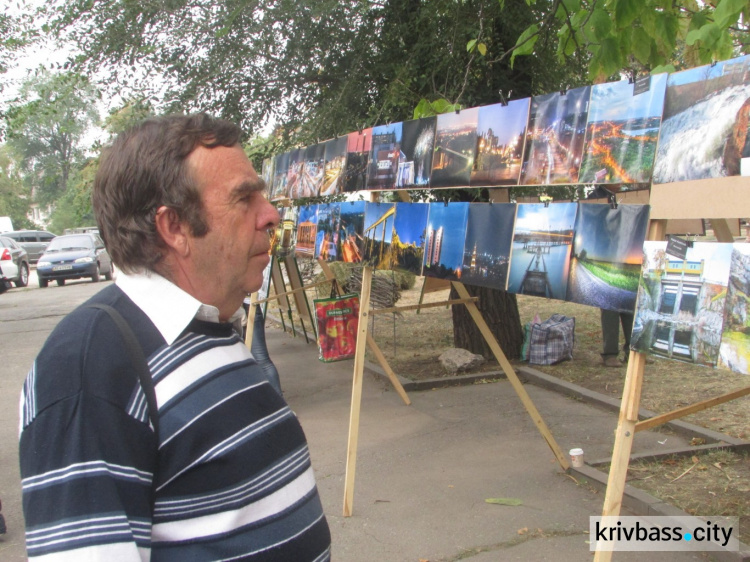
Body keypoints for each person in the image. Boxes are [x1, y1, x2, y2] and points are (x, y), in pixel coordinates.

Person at [18, 114, 331, 560]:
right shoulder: (89, 368)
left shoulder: (209, 325)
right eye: (244, 198)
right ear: (175, 227)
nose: (270, 214)